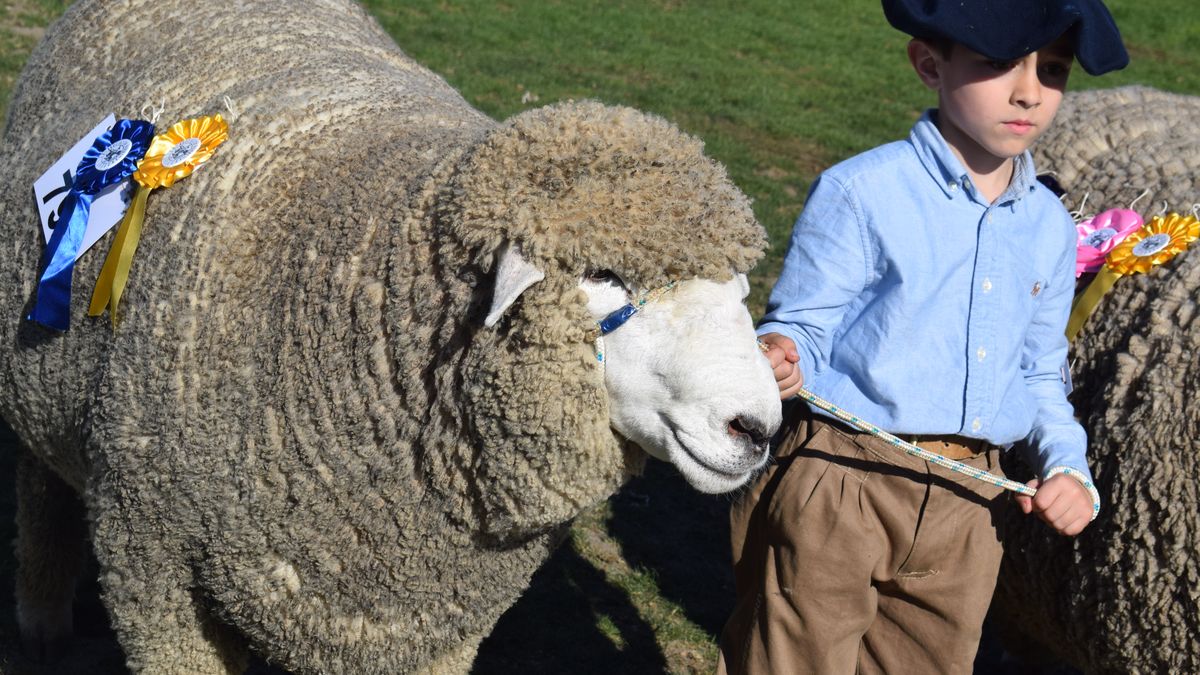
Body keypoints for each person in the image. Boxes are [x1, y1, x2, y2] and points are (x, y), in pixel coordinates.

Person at [717, 1, 1128, 673]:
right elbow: (803, 328)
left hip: (971, 507)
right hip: (845, 480)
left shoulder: (1051, 227)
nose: (1029, 91)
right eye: (999, 65)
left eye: (1051, 70)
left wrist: (1066, 465)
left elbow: (1040, 370)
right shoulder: (861, 192)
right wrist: (785, 356)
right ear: (929, 64)